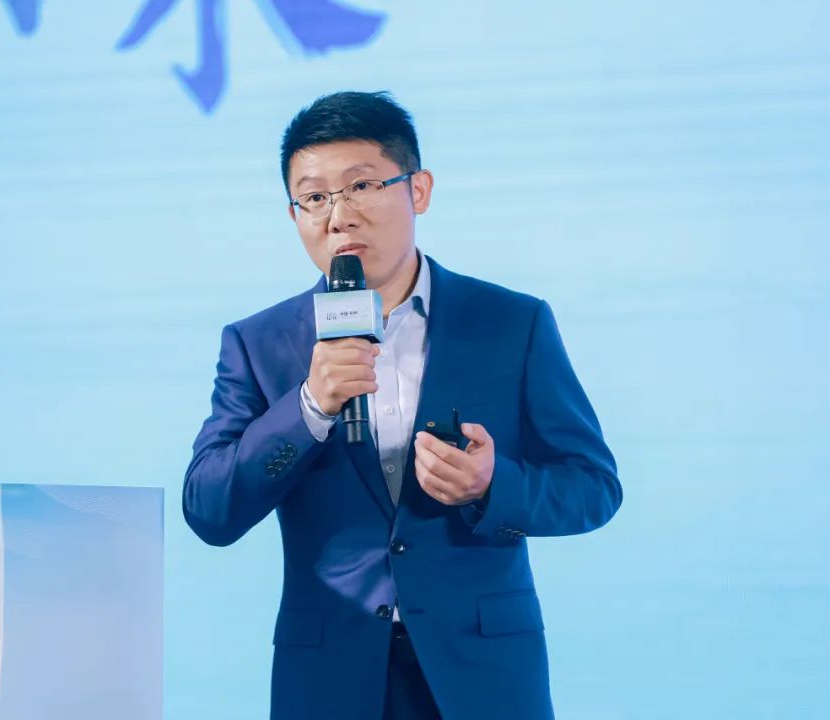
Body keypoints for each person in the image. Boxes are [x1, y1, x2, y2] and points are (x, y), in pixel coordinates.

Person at [183, 90, 622, 720]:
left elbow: (593, 487)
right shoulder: (259, 344)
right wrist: (309, 407)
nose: (339, 216)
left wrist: (491, 486)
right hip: (329, 681)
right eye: (314, 198)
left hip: (483, 677)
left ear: (418, 190)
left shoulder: (510, 323)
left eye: (361, 186)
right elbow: (209, 509)